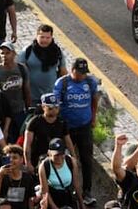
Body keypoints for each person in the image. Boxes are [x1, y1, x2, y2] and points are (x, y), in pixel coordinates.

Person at [53, 58, 100, 206]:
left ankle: (87, 191)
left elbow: (94, 100)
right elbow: (55, 105)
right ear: (72, 70)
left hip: (84, 127)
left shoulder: (90, 82)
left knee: (86, 160)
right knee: (66, 159)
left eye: (84, 73)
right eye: (79, 73)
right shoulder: (62, 83)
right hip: (67, 129)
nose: (82, 76)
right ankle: (68, 188)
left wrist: (93, 117)